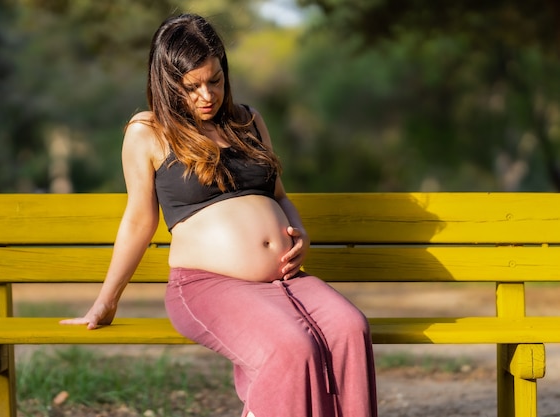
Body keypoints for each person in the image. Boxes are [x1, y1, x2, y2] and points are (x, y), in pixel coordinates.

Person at [61, 13, 378, 417]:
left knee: (351, 328)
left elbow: (279, 196)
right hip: (206, 285)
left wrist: (299, 229)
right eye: (191, 87)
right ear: (167, 84)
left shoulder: (248, 120)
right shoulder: (149, 132)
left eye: (214, 80)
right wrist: (106, 302)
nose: (206, 95)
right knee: (292, 348)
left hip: (285, 279)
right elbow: (139, 221)